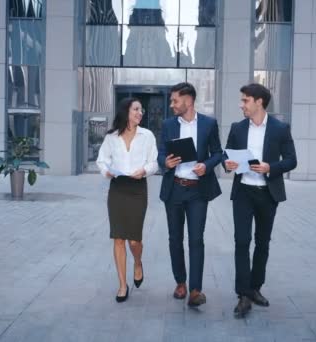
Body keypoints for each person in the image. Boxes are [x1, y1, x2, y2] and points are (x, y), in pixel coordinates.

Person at [223, 83, 297, 318]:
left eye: (245, 100)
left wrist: (270, 167)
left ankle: (255, 288)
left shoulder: (280, 128)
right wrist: (228, 164)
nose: (241, 104)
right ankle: (243, 294)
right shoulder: (237, 128)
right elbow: (227, 155)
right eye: (242, 100)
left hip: (268, 193)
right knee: (241, 242)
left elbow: (292, 160)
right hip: (243, 191)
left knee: (262, 243)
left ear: (259, 102)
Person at [158, 82, 223, 307]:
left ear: (189, 100)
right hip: (174, 188)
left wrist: (206, 165)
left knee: (196, 239)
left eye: (175, 100)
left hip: (198, 190)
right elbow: (161, 154)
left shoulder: (208, 124)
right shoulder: (167, 125)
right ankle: (180, 283)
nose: (172, 104)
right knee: (175, 239)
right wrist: (164, 162)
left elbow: (218, 153)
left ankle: (195, 290)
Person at [96, 97, 158, 303]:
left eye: (141, 110)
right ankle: (122, 285)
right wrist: (106, 171)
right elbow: (101, 160)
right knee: (118, 237)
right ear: (126, 112)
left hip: (138, 189)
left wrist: (144, 170)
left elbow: (154, 163)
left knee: (134, 239)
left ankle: (138, 262)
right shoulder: (112, 137)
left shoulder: (147, 135)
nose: (141, 113)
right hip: (118, 189)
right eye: (136, 109)